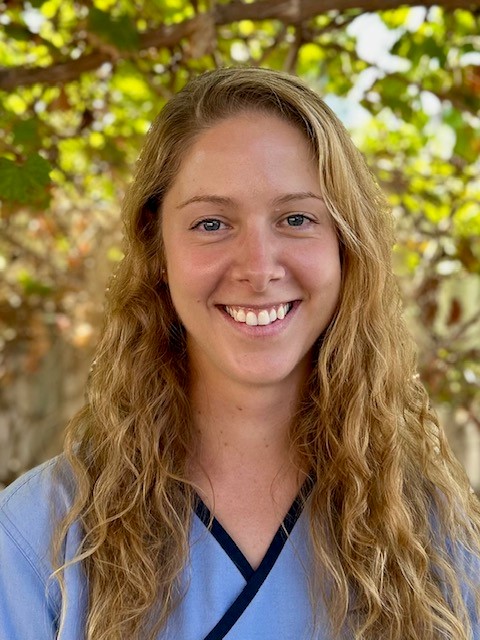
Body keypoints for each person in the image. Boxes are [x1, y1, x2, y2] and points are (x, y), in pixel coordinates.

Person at [0, 67, 479, 640]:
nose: (258, 267)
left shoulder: (439, 540)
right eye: (211, 223)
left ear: (345, 244)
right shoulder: (40, 539)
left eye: (296, 218)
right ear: (157, 249)